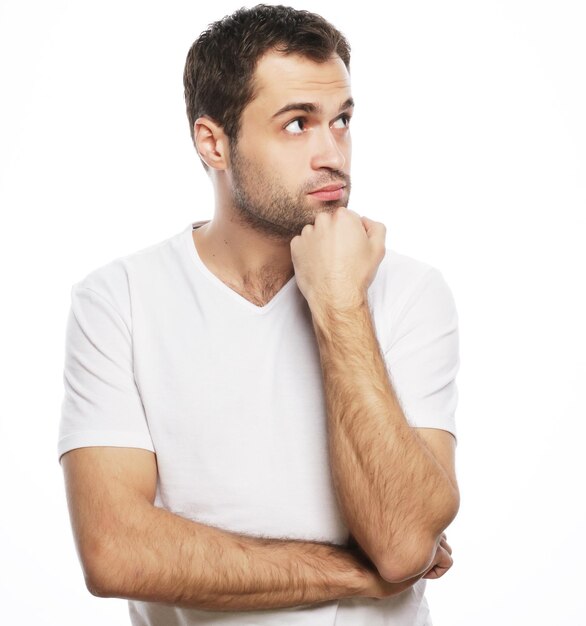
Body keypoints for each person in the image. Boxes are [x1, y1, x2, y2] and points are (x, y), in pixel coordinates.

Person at [58, 4, 460, 625]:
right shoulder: (119, 301)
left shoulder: (409, 292)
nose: (334, 154)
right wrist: (355, 573)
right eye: (297, 124)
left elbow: (403, 542)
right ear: (213, 143)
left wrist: (339, 305)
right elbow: (116, 552)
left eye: (342, 120)